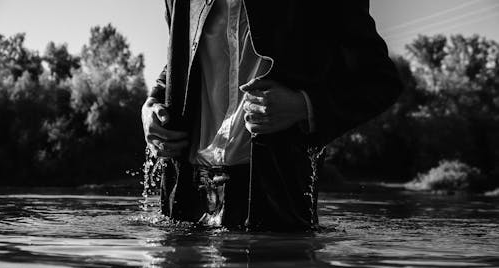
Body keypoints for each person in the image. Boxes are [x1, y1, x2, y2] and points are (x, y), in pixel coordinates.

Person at [141, 0, 403, 231]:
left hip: (275, 201)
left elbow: (379, 80)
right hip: (184, 206)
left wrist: (304, 105)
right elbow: (181, 59)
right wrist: (152, 103)